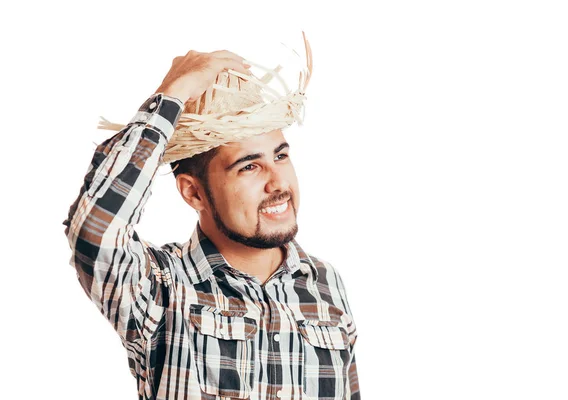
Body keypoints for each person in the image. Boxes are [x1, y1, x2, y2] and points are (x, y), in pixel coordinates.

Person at [63, 45, 361, 400]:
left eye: (280, 156)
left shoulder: (325, 283)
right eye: (249, 166)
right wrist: (171, 96)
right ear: (194, 193)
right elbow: (94, 229)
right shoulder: (161, 287)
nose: (278, 183)